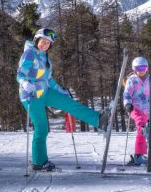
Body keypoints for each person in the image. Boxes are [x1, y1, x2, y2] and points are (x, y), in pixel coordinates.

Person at [17, 28, 109, 171]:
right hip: (32, 95)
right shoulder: (30, 54)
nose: (45, 44)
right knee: (41, 129)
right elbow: (20, 73)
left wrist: (61, 90)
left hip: (45, 91)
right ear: (36, 40)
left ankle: (98, 120)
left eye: (48, 43)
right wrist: (24, 83)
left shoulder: (45, 57)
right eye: (43, 41)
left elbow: (48, 79)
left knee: (70, 104)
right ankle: (39, 162)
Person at [123, 57, 151, 165]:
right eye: (138, 68)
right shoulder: (132, 80)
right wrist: (127, 104)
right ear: (134, 69)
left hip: (146, 109)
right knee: (141, 125)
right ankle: (139, 154)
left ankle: (139, 155)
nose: (141, 70)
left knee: (141, 131)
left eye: (143, 67)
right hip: (135, 108)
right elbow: (127, 93)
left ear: (147, 68)